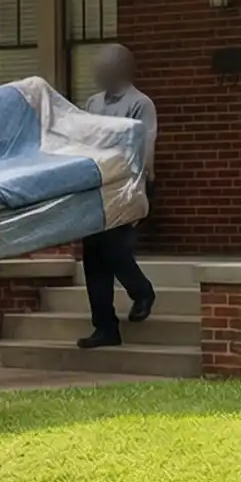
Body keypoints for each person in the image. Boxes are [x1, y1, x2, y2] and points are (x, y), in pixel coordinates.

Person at [76, 43, 158, 350]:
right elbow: (83, 141)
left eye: (105, 66)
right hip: (97, 186)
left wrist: (139, 190)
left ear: (122, 69)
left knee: (111, 246)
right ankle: (105, 328)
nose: (98, 72)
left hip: (128, 184)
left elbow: (145, 144)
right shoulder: (93, 103)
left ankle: (142, 291)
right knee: (94, 256)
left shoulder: (140, 104)